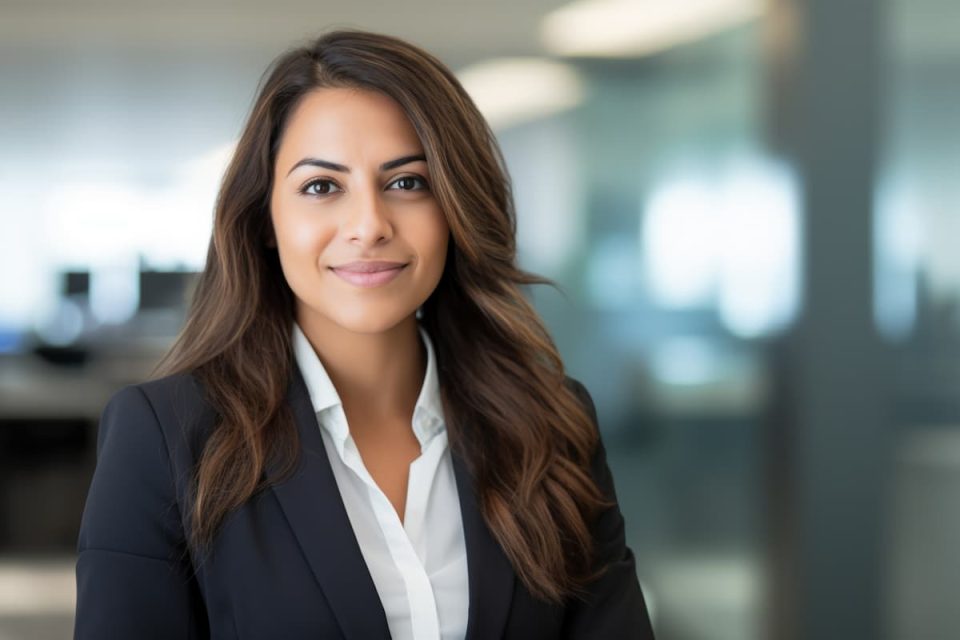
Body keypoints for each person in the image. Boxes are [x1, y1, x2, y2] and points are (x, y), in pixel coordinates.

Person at [73, 29, 655, 640]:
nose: (369, 225)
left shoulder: (551, 425)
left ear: (454, 207)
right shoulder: (169, 438)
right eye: (322, 187)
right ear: (265, 219)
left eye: (407, 182)